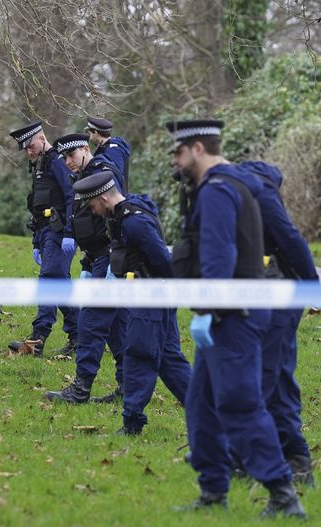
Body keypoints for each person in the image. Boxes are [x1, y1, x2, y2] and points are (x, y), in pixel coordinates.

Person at [168, 119, 305, 519]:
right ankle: (213, 491)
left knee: (239, 404)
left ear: (197, 148)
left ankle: (283, 494)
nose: (174, 161)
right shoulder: (228, 186)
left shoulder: (219, 191)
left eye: (177, 152)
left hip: (232, 316)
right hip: (225, 313)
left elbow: (218, 258)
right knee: (201, 404)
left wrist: (208, 311)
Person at [72, 170, 191, 434]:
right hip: (156, 295)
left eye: (92, 204)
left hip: (150, 297)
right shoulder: (125, 214)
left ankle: (132, 422)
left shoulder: (133, 223)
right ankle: (205, 409)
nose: (92, 211)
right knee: (169, 359)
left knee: (138, 354)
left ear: (103, 199)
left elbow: (162, 259)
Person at [237, 160, 319, 486]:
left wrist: (313, 285)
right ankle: (288, 462)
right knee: (276, 379)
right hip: (263, 297)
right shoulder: (235, 190)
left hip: (283, 296)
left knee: (268, 379)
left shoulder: (258, 192)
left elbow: (290, 238)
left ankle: (289, 462)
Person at [44, 133, 126, 404]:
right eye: (64, 158)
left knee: (90, 323)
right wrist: (87, 264)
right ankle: (127, 387)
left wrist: (112, 262)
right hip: (96, 258)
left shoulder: (103, 173)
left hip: (109, 257)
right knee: (115, 327)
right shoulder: (83, 175)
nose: (67, 162)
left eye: (71, 156)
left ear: (85, 149)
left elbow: (116, 216)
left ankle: (81, 389)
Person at [6, 121, 78, 358]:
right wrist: (36, 242)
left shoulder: (57, 161)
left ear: (41, 138)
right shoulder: (39, 166)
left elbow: (71, 198)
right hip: (47, 232)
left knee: (48, 281)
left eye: (30, 145)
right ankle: (79, 337)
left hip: (59, 232)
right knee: (61, 285)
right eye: (25, 148)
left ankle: (37, 340)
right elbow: (38, 207)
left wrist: (69, 233)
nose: (28, 151)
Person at [84, 116, 131, 191]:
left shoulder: (113, 151)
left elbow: (115, 178)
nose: (90, 138)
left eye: (90, 134)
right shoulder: (104, 148)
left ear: (95, 133)